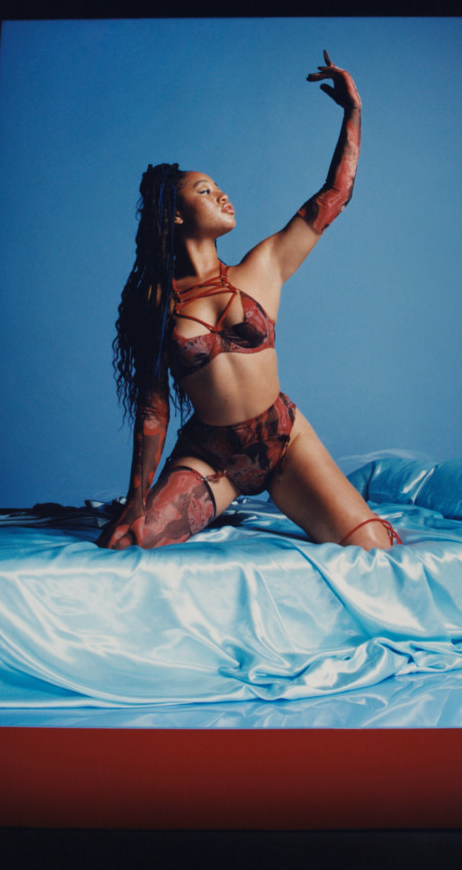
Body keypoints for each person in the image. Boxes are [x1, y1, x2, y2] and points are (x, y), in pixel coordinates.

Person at [98, 51, 400, 552]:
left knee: (375, 549)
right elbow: (153, 407)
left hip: (283, 441)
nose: (222, 195)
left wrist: (353, 112)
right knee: (130, 543)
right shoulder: (156, 301)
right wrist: (135, 502)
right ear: (174, 215)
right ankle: (191, 508)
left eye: (220, 188)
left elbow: (335, 195)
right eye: (205, 191)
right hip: (212, 457)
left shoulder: (263, 266)